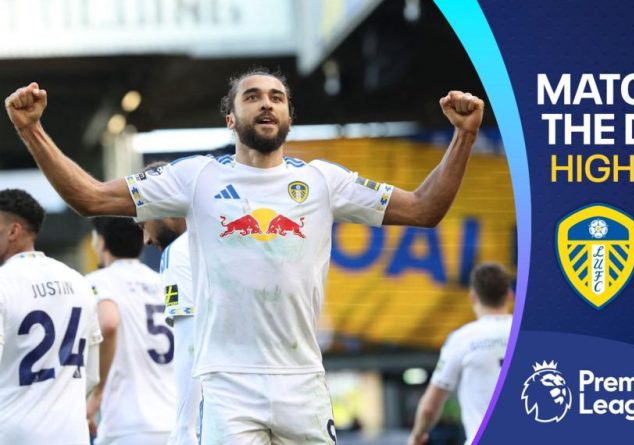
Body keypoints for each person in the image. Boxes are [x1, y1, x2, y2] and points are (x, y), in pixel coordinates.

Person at [5, 69, 485, 444]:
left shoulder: (324, 181)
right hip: (226, 386)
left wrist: (464, 135)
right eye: (252, 96)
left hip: (303, 381)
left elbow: (424, 209)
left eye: (277, 97)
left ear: (289, 117)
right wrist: (32, 130)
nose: (266, 103)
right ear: (231, 119)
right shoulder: (196, 177)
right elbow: (90, 198)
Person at [0, 188, 103, 444]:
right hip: (72, 434)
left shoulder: (4, 284)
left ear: (13, 231)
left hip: (14, 434)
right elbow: (92, 375)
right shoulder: (79, 282)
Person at [85, 217, 176, 445]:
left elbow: (108, 322)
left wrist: (97, 392)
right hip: (175, 420)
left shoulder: (98, 281)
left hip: (128, 424)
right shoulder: (164, 282)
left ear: (101, 242)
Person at [407, 263, 513, 445]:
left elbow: (430, 408)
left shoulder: (462, 339)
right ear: (509, 295)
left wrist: (417, 436)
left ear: (473, 297)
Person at [139, 198, 201, 445]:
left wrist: (185, 427)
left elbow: (190, 344)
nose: (146, 239)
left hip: (232, 411)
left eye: (144, 224)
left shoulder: (180, 250)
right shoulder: (238, 234)